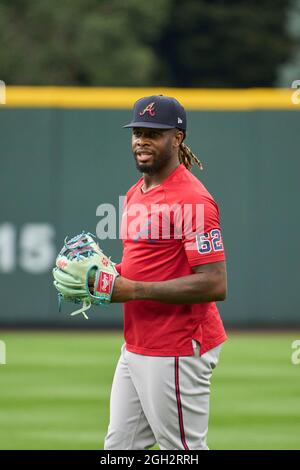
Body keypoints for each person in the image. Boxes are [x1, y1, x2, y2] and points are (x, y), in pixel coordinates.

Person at [104, 95, 227, 450]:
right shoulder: (136, 193)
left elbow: (215, 282)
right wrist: (105, 274)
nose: (142, 140)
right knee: (119, 450)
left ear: (177, 138)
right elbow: (144, 265)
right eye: (137, 132)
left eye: (153, 133)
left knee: (183, 452)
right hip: (138, 344)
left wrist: (133, 289)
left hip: (176, 346)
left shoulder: (192, 199)